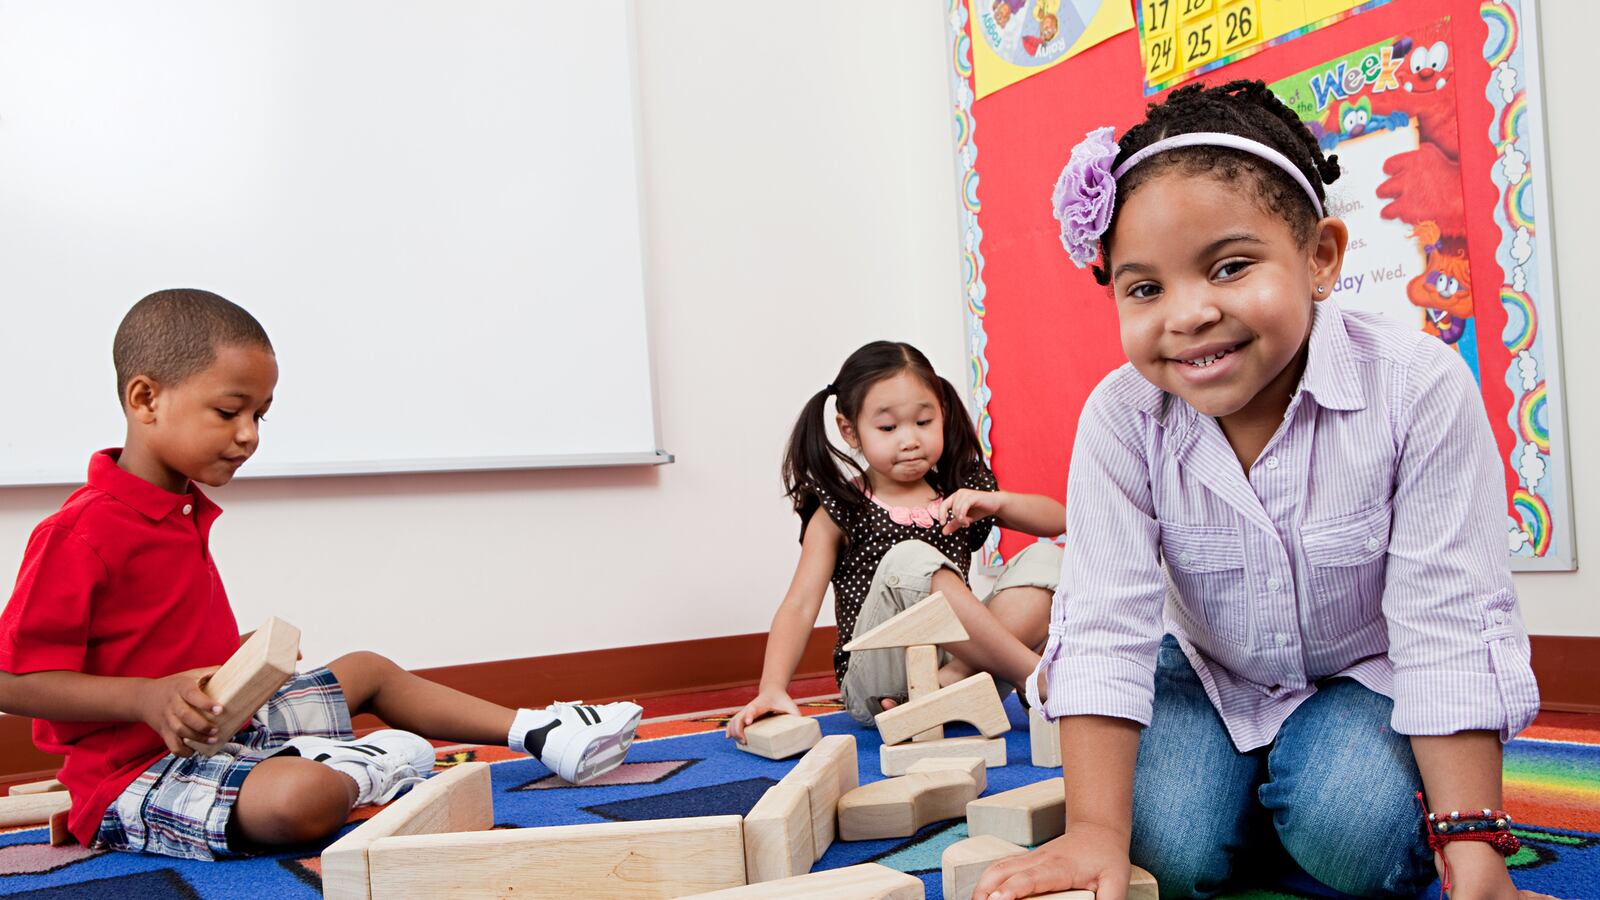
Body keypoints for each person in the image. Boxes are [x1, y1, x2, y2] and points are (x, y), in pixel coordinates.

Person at [974, 80, 1540, 900]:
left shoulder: (1420, 389)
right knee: (1165, 852)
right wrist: (1096, 831)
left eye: (1230, 267)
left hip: (1364, 672)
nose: (1189, 314)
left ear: (1320, 257)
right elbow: (1103, 619)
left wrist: (1476, 856)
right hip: (1207, 668)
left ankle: (1303, 794)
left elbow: (1447, 620)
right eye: (1144, 289)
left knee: (1353, 838)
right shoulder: (1121, 418)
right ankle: (1249, 797)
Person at [0, 289, 644, 861]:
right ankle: (367, 769)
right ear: (145, 399)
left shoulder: (182, 508)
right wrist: (143, 698)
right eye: (229, 412)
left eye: (261, 415)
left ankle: (540, 731)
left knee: (366, 668)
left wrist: (238, 660)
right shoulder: (78, 533)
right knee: (296, 804)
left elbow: (154, 641)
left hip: (224, 729)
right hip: (136, 774)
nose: (249, 435)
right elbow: (11, 679)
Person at [725, 340, 1066, 740]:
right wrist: (772, 687)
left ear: (942, 413)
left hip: (965, 657)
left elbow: (1058, 522)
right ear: (850, 430)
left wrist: (996, 503)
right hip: (880, 682)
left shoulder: (959, 493)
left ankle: (948, 684)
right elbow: (799, 606)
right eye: (888, 428)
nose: (910, 440)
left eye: (924, 422)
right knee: (912, 558)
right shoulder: (843, 506)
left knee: (1048, 560)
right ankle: (1035, 678)